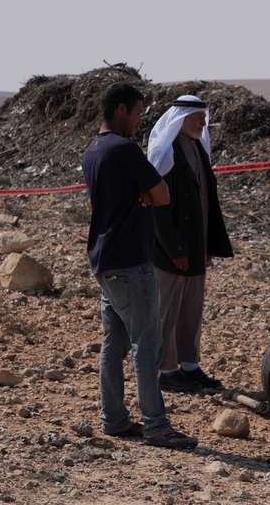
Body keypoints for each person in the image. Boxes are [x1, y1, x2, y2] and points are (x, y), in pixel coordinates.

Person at [82, 82, 197, 450]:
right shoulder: (123, 149)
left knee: (113, 342)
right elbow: (161, 194)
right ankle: (156, 424)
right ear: (120, 110)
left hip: (105, 259)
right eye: (136, 113)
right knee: (147, 345)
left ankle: (113, 418)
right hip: (131, 261)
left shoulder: (94, 150)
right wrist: (146, 194)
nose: (138, 121)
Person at [145, 95, 234, 394]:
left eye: (203, 118)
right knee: (167, 310)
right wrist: (175, 250)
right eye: (197, 118)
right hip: (170, 250)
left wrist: (205, 244)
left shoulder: (196, 147)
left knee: (191, 309)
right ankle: (165, 370)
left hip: (196, 246)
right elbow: (157, 209)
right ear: (179, 118)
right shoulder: (165, 152)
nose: (202, 123)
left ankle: (190, 366)